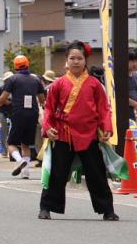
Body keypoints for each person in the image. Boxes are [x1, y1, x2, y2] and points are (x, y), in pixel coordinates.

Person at [40, 40, 118, 221]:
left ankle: (107, 210)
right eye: (72, 58)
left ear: (85, 61)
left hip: (89, 134)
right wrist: (48, 128)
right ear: (66, 61)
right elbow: (49, 109)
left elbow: (104, 109)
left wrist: (106, 127)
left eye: (79, 58)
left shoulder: (95, 84)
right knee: (57, 173)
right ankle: (46, 207)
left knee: (96, 174)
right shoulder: (58, 84)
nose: (76, 62)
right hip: (63, 133)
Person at [0, 56, 46, 178]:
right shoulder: (36, 80)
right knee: (26, 144)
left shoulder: (13, 79)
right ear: (27, 64)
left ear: (15, 66)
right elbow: (42, 100)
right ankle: (25, 172)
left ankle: (20, 161)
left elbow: (3, 97)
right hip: (33, 114)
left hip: (18, 113)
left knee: (11, 143)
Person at [0, 71, 12, 158]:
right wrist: (2, 101)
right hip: (2, 111)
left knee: (12, 131)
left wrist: (9, 102)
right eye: (7, 79)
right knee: (3, 131)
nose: (8, 81)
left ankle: (12, 150)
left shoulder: (16, 88)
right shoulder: (0, 89)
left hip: (13, 111)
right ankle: (4, 150)